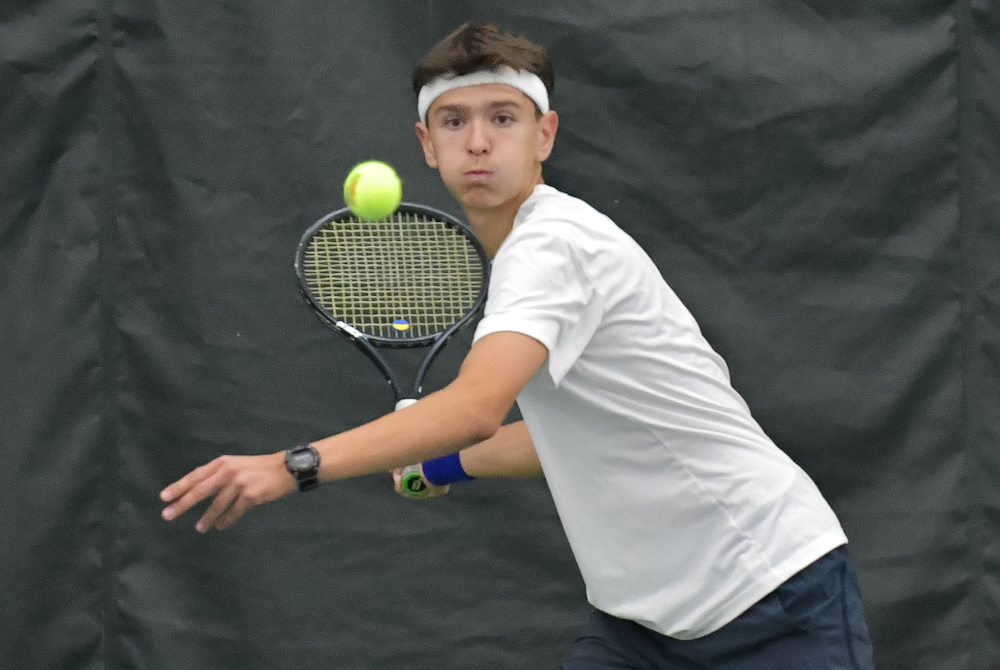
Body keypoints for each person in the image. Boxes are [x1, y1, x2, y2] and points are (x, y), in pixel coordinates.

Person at [161, 22, 876, 669]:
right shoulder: (517, 260)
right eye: (454, 120)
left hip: (769, 593)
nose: (478, 140)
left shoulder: (553, 247)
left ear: (545, 136)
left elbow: (476, 408)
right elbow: (560, 434)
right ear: (427, 145)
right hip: (639, 623)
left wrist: (295, 467)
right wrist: (442, 462)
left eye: (503, 117)